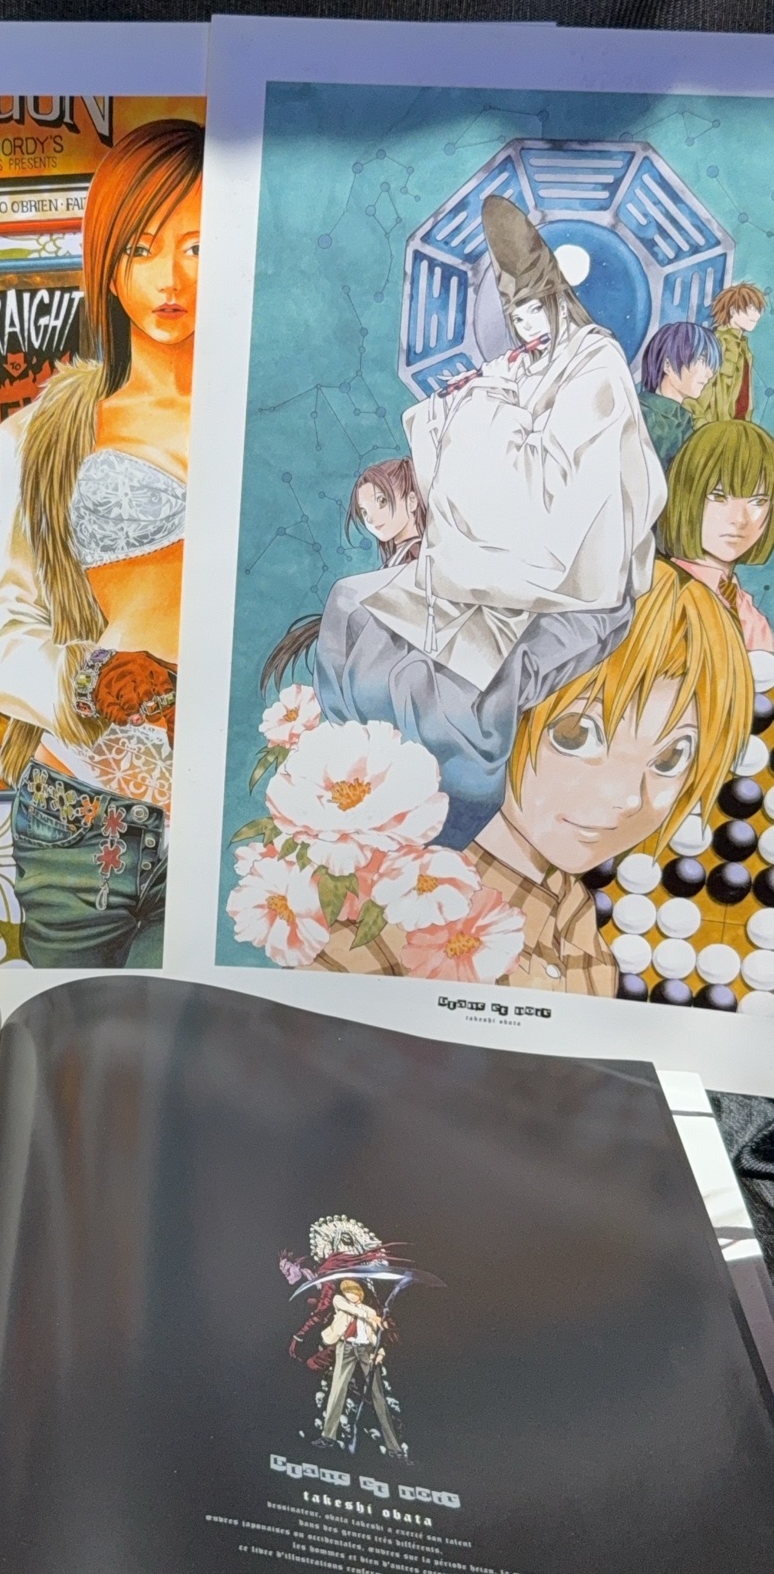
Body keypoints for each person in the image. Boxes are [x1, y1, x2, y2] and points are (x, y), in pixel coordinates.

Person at [315, 196, 666, 844]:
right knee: (352, 607)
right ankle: (347, 766)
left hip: (575, 577)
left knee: (465, 676)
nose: (526, 325)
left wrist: (491, 417)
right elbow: (440, 422)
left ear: (560, 299)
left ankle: (455, 814)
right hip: (495, 561)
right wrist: (468, 408)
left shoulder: (596, 365)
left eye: (535, 307)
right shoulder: (524, 366)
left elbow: (571, 488)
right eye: (515, 314)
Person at [0, 119, 203, 966]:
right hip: (81, 816)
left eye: (196, 248)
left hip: (230, 815)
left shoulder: (285, 422)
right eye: (140, 250)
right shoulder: (48, 434)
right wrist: (97, 682)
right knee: (73, 1039)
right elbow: (4, 644)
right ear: (108, 264)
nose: (168, 280)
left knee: (202, 1039)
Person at [312, 562, 750, 993]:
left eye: (671, 757)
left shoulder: (573, 915)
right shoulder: (364, 935)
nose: (628, 797)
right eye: (577, 735)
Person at [261, 455, 426, 696]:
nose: (372, 519)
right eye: (364, 512)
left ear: (412, 501)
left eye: (382, 501)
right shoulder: (396, 561)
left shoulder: (418, 560)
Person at [658, 416, 774, 653]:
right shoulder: (664, 594)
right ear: (687, 496)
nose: (739, 518)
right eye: (719, 497)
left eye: (758, 501)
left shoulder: (748, 611)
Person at [305, 1280, 404, 1457]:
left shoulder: (370, 1311)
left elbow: (376, 1335)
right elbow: (350, 1309)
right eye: (348, 1292)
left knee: (378, 1395)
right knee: (337, 1389)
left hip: (366, 1349)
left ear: (360, 1293)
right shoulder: (339, 1302)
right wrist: (371, 1317)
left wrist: (380, 1350)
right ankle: (328, 1436)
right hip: (346, 1347)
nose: (351, 1295)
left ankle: (394, 1447)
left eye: (354, 1292)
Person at [635, 319, 721, 471]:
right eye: (701, 360)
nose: (709, 374)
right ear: (667, 365)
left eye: (710, 364)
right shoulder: (644, 415)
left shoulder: (683, 419)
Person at [692, 282, 766, 425]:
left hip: (738, 425)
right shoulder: (717, 343)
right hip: (714, 426)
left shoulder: (744, 348)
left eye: (757, 309)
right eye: (750, 308)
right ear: (732, 311)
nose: (756, 315)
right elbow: (700, 388)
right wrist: (701, 424)